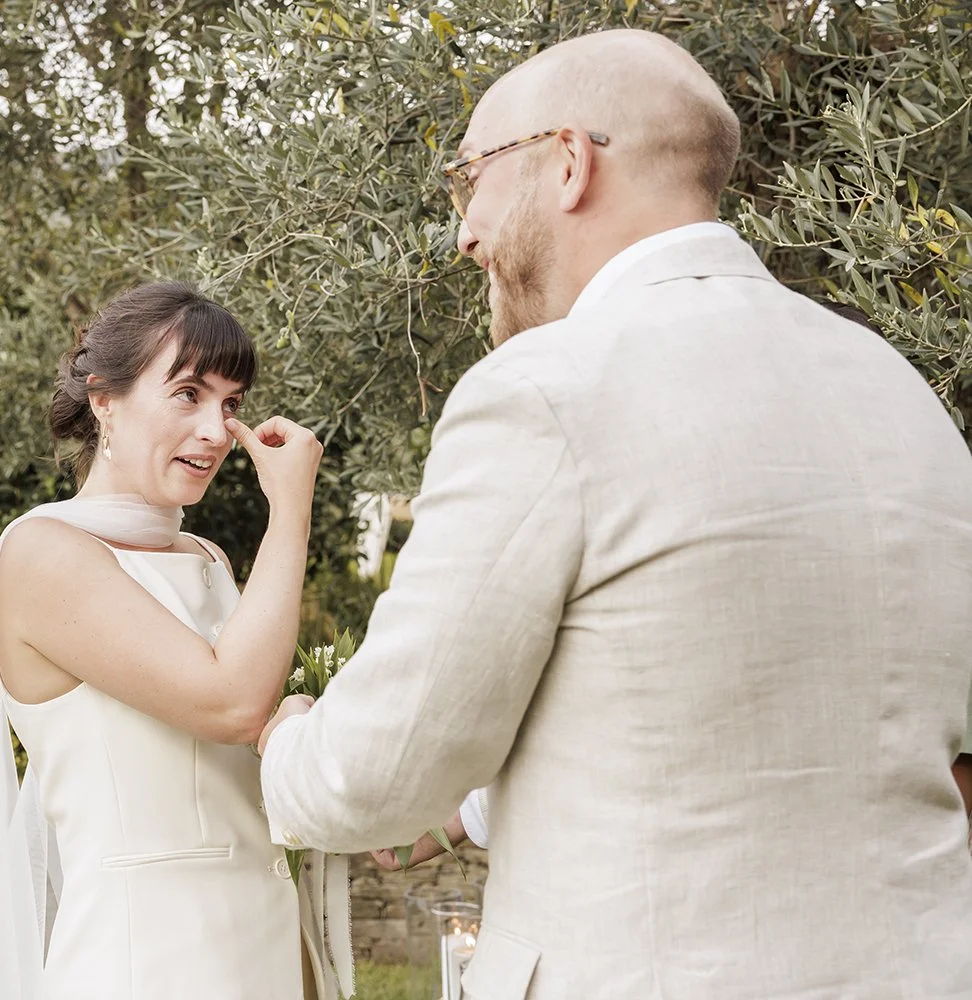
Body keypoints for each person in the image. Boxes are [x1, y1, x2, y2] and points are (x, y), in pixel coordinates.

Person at [257, 27, 972, 999]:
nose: (464, 232)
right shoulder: (903, 396)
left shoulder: (545, 389)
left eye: (470, 177)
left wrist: (287, 741)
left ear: (567, 162)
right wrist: (481, 807)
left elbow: (379, 772)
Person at [0, 281, 351, 1000]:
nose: (215, 430)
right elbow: (231, 702)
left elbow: (244, 741)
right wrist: (292, 508)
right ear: (104, 400)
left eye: (230, 404)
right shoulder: (44, 554)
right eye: (188, 394)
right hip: (151, 963)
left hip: (272, 951)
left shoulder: (209, 561)